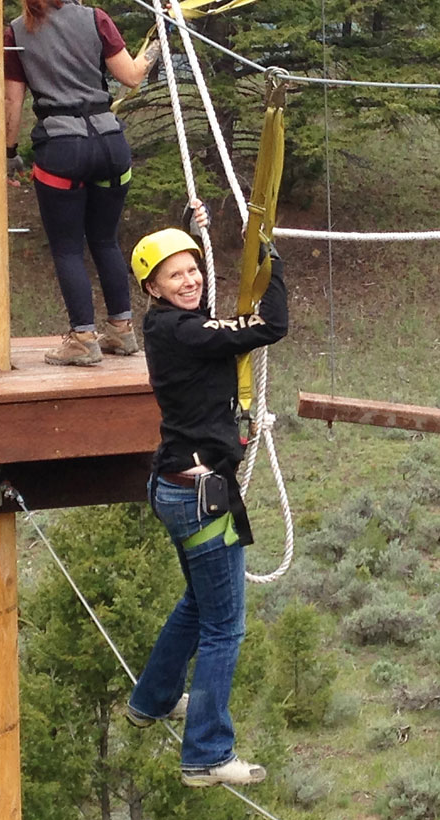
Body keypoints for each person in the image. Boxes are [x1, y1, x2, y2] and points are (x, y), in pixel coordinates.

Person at [125, 203, 289, 788]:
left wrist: (196, 228)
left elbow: (211, 318)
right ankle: (207, 756)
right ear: (152, 288)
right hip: (201, 496)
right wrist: (274, 270)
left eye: (193, 269)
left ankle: (153, 699)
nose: (191, 279)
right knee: (225, 628)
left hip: (178, 486)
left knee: (199, 605)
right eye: (176, 275)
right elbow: (268, 328)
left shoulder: (167, 325)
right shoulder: (185, 332)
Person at [3, 0, 160, 366]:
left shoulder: (17, 32)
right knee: (105, 239)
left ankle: (83, 338)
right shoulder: (95, 19)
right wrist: (160, 35)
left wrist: (9, 152)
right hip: (110, 145)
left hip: (62, 150)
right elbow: (133, 76)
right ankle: (122, 330)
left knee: (68, 248)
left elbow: (13, 100)